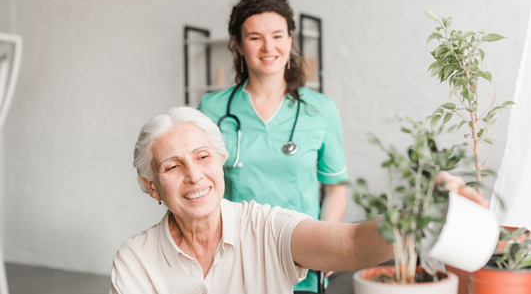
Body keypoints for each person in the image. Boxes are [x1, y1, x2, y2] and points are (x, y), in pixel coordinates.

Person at [109, 106, 487, 293]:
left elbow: (352, 244)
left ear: (221, 162)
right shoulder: (136, 260)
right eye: (173, 166)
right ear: (152, 187)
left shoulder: (266, 226)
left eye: (203, 157)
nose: (194, 175)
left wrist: (425, 213)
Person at [198, 0, 346, 292]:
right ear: (238, 45)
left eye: (278, 35)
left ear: (290, 39)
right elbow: (199, 185)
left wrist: (327, 239)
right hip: (233, 256)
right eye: (255, 37)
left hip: (301, 256)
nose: (268, 47)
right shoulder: (211, 109)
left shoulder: (321, 109)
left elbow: (335, 188)